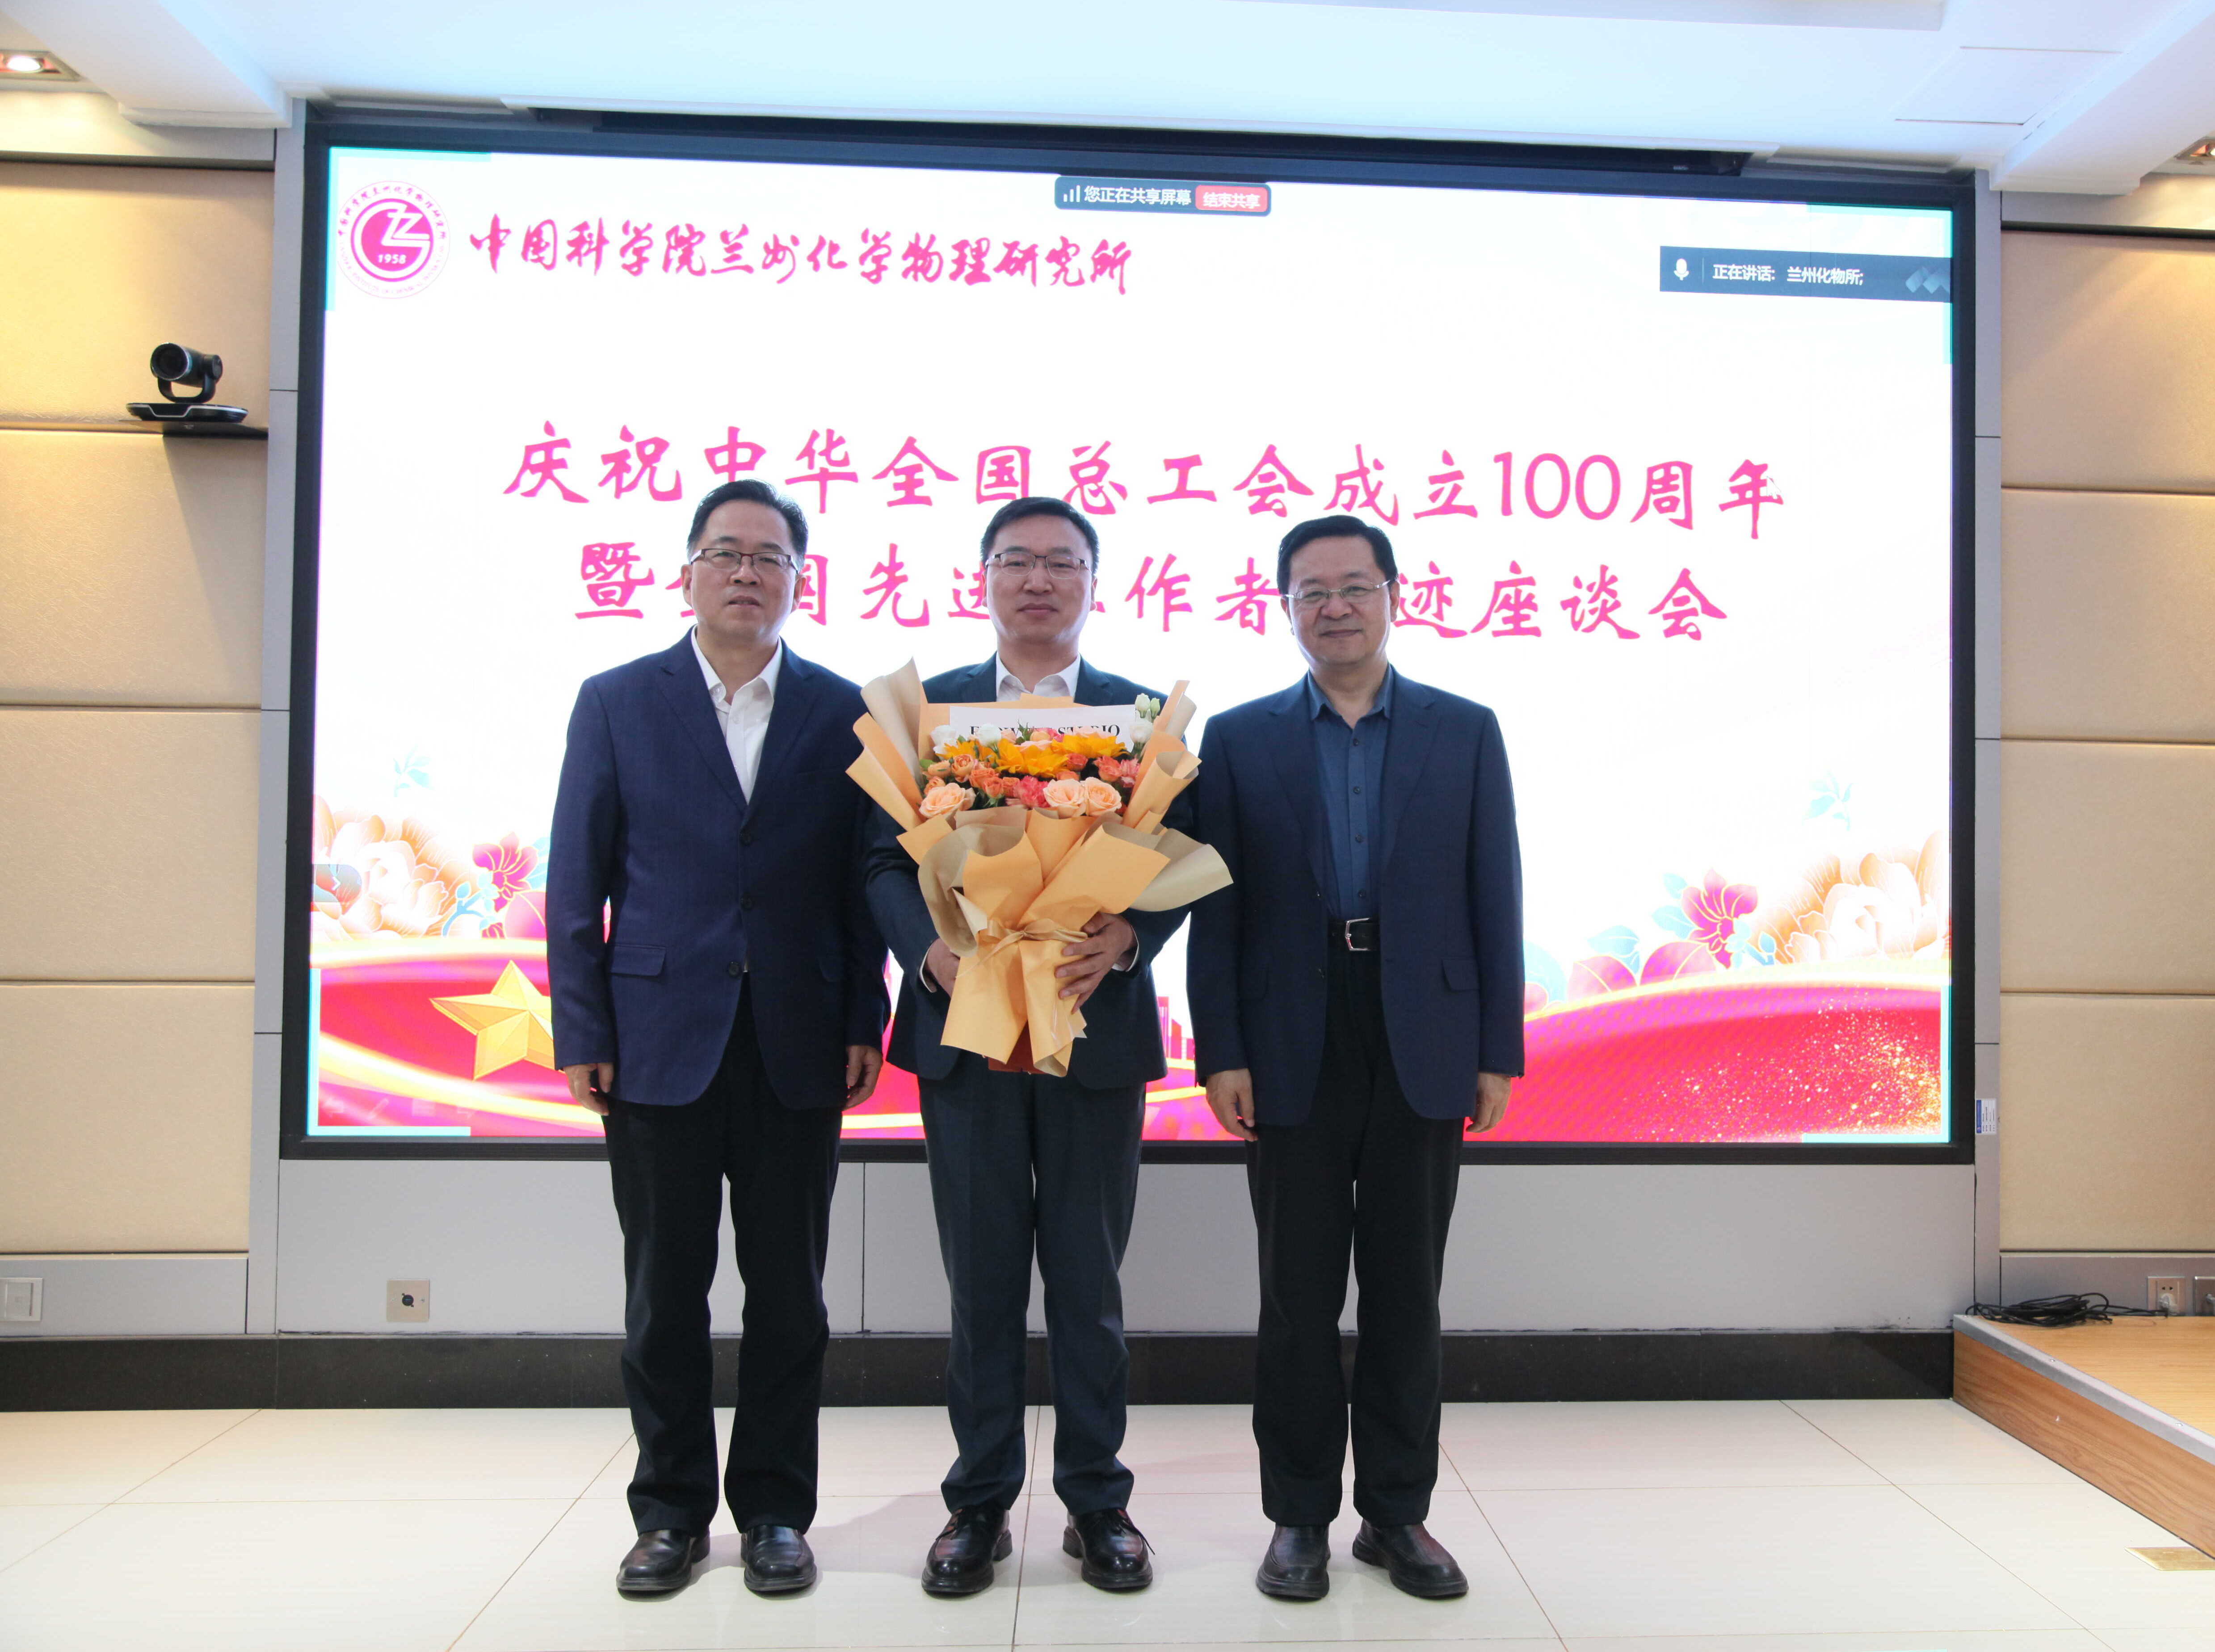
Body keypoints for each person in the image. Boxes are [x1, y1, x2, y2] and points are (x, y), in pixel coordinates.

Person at [548, 478, 887, 1600]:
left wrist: (862, 1016)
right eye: (726, 552)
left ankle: (778, 1511)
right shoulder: (616, 700)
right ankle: (670, 1513)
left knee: (790, 1295)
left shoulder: (845, 709)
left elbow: (863, 886)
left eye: (770, 556)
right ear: (686, 571)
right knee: (664, 1291)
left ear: (798, 578)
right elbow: (575, 880)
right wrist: (582, 1026)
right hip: (657, 1038)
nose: (747, 572)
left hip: (798, 1037)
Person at [1188, 513, 1523, 1603]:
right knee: (1294, 1293)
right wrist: (1220, 1049)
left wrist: (1497, 1047)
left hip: (1423, 1029)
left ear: (1393, 595)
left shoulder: (1463, 729)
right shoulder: (1238, 739)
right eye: (1311, 591)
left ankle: (1395, 1512)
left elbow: (1494, 892)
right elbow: (1215, 911)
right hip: (1290, 1028)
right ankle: (1297, 1517)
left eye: (1354, 586)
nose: (1334, 607)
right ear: (1284, 607)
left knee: (1405, 1290)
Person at [865, 496, 1186, 1597]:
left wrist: (1132, 935)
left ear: (1094, 581)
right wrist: (926, 953)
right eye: (1017, 560)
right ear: (985, 576)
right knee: (982, 1284)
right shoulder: (931, 713)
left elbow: (1183, 853)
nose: (1038, 579)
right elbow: (879, 860)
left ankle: (1098, 1504)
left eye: (1061, 562)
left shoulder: (1140, 717)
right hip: (970, 1035)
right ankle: (978, 1504)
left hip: (1092, 1033)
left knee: (1089, 1285)